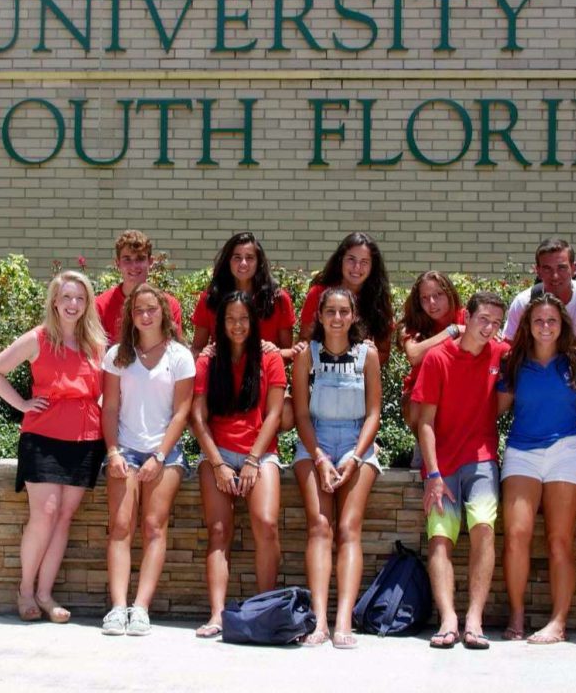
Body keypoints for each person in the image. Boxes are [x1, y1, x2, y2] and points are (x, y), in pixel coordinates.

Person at [0, 270, 107, 624]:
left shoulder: (97, 344)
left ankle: (45, 594)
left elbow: (104, 392)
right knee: (45, 514)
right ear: (54, 301)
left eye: (80, 298)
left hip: (86, 438)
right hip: (43, 438)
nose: (73, 304)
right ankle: (25, 590)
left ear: (88, 303)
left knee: (64, 517)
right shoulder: (38, 338)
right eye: (66, 297)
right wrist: (22, 404)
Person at [411, 290, 509, 650]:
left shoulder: (500, 353)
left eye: (496, 323)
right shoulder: (438, 358)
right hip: (442, 463)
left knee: (483, 526)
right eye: (483, 319)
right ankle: (448, 618)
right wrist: (434, 475)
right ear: (465, 317)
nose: (489, 328)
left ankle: (474, 620)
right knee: (441, 536)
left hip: (481, 457)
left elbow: (542, 342)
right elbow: (425, 423)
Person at [190, 291, 288, 638]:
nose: (237, 325)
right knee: (219, 531)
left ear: (253, 321)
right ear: (220, 322)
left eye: (244, 318)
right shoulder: (208, 361)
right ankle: (217, 615)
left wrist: (252, 460)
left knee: (266, 524)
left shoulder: (269, 357)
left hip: (259, 453)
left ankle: (263, 610)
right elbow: (197, 417)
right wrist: (218, 464)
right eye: (230, 319)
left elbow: (274, 415)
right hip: (217, 454)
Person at [99, 284, 194, 637]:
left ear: (163, 312)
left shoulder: (179, 356)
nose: (145, 315)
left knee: (154, 526)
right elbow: (110, 407)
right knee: (121, 526)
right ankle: (117, 607)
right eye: (138, 309)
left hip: (164, 453)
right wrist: (112, 452)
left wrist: (159, 455)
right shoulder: (117, 355)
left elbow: (182, 412)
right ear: (130, 315)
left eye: (151, 308)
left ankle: (140, 608)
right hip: (124, 449)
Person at [496, 294, 576, 645]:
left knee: (559, 540)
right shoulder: (514, 362)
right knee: (516, 535)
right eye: (538, 320)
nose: (546, 327)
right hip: (522, 451)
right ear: (528, 325)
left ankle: (558, 622)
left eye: (552, 320)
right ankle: (517, 614)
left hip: (565, 451)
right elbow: (494, 409)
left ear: (563, 325)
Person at [292, 287, 382, 648]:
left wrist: (355, 457)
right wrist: (319, 457)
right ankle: (319, 622)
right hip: (315, 441)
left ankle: (343, 620)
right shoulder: (307, 356)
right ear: (320, 315)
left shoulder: (367, 355)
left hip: (356, 442)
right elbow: (301, 414)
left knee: (348, 528)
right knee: (320, 526)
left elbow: (373, 413)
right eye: (330, 311)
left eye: (344, 311)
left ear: (354, 315)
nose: (337, 318)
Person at [190, 232, 296, 358]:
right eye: (237, 257)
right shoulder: (210, 298)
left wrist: (275, 351)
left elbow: (289, 353)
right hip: (222, 369)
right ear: (228, 261)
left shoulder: (278, 299)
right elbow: (196, 349)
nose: (243, 263)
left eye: (250, 257)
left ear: (259, 262)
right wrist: (205, 353)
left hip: (265, 369)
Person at [298, 233, 394, 364]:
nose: (357, 267)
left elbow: (383, 352)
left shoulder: (379, 301)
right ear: (340, 260)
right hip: (319, 371)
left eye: (364, 262)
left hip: (360, 374)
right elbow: (304, 340)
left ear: (373, 266)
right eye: (351, 259)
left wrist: (368, 354)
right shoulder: (318, 294)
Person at [397, 270, 467, 433]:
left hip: (460, 389)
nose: (432, 303)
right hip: (421, 394)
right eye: (425, 298)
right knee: (416, 404)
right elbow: (414, 355)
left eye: (438, 295)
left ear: (450, 293)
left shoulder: (468, 317)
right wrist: (453, 330)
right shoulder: (414, 325)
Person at [95, 229, 183, 343]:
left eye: (140, 259)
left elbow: (175, 349)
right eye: (127, 259)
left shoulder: (169, 304)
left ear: (150, 262)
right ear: (117, 263)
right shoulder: (100, 306)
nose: (134, 266)